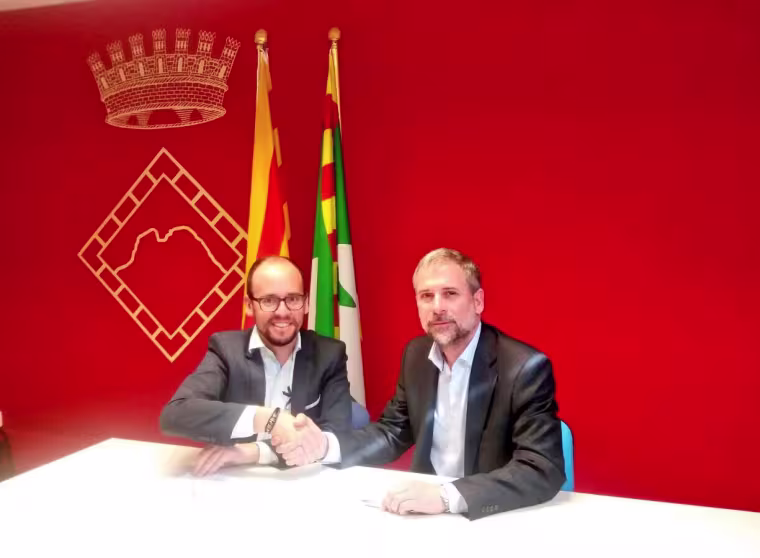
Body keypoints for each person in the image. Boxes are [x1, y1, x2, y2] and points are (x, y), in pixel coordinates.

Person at [273, 248, 565, 520]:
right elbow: (392, 432)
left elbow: (541, 468)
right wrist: (325, 445)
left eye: (450, 294)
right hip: (423, 513)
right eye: (426, 296)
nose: (437, 307)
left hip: (488, 515)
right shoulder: (416, 355)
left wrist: (446, 496)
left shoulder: (524, 368)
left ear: (478, 301)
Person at [160, 256, 352, 476]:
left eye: (293, 299)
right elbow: (175, 415)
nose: (282, 312)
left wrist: (253, 452)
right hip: (234, 481)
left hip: (301, 480)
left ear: (306, 303)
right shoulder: (226, 350)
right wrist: (269, 420)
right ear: (249, 306)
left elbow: (335, 436)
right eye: (269, 300)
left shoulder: (329, 355)